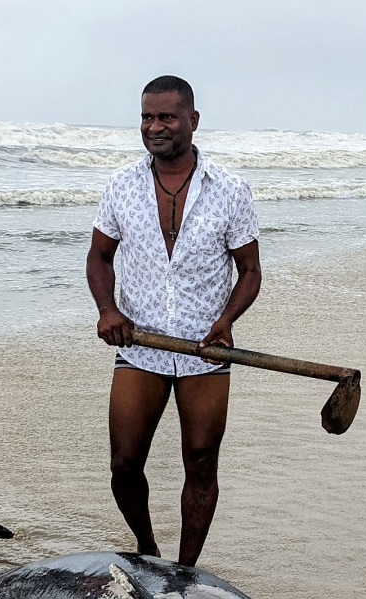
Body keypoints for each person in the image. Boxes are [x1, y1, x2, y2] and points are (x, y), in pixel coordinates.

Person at [86, 75, 262, 566]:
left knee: (202, 461)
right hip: (139, 344)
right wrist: (107, 310)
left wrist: (227, 321)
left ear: (193, 121)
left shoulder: (229, 189)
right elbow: (99, 258)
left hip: (206, 349)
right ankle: (146, 546)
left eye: (166, 116)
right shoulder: (121, 186)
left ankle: (185, 570)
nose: (154, 126)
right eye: (147, 116)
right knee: (124, 464)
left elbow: (249, 270)